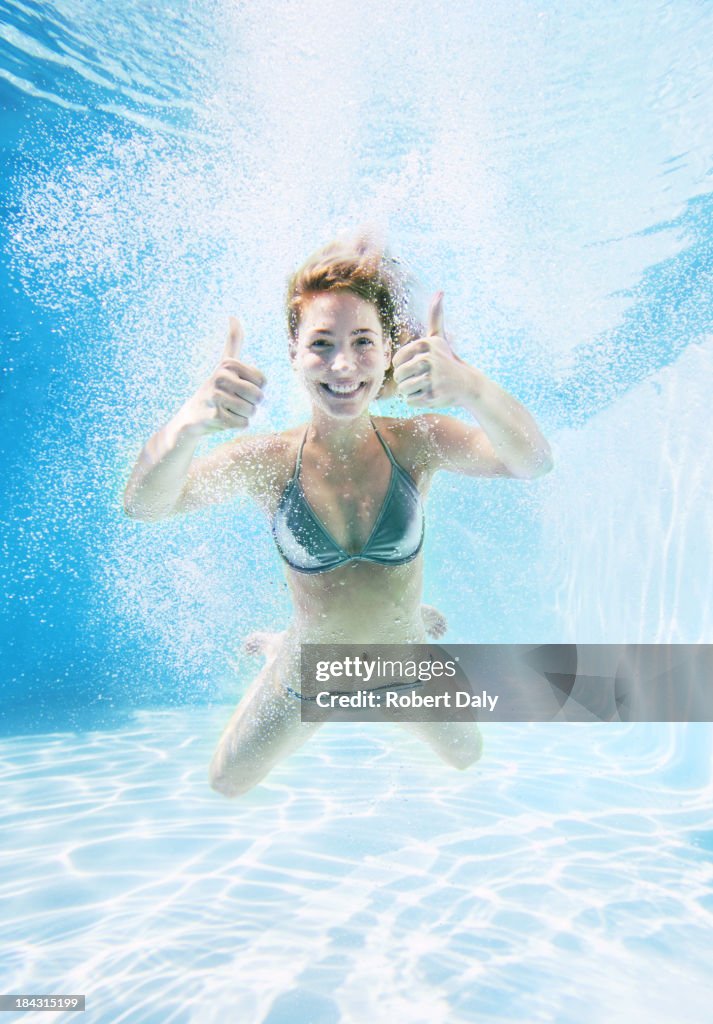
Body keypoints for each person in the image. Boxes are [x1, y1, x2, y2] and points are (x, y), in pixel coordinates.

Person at [123, 236, 553, 797]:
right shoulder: (268, 461)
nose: (343, 365)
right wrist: (189, 424)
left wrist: (471, 386)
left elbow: (533, 463)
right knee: (228, 781)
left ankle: (410, 622)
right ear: (294, 353)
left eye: (363, 342)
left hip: (406, 669)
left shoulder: (417, 442)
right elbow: (145, 506)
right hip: (311, 670)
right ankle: (285, 645)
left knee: (466, 757)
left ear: (389, 349)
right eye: (321, 343)